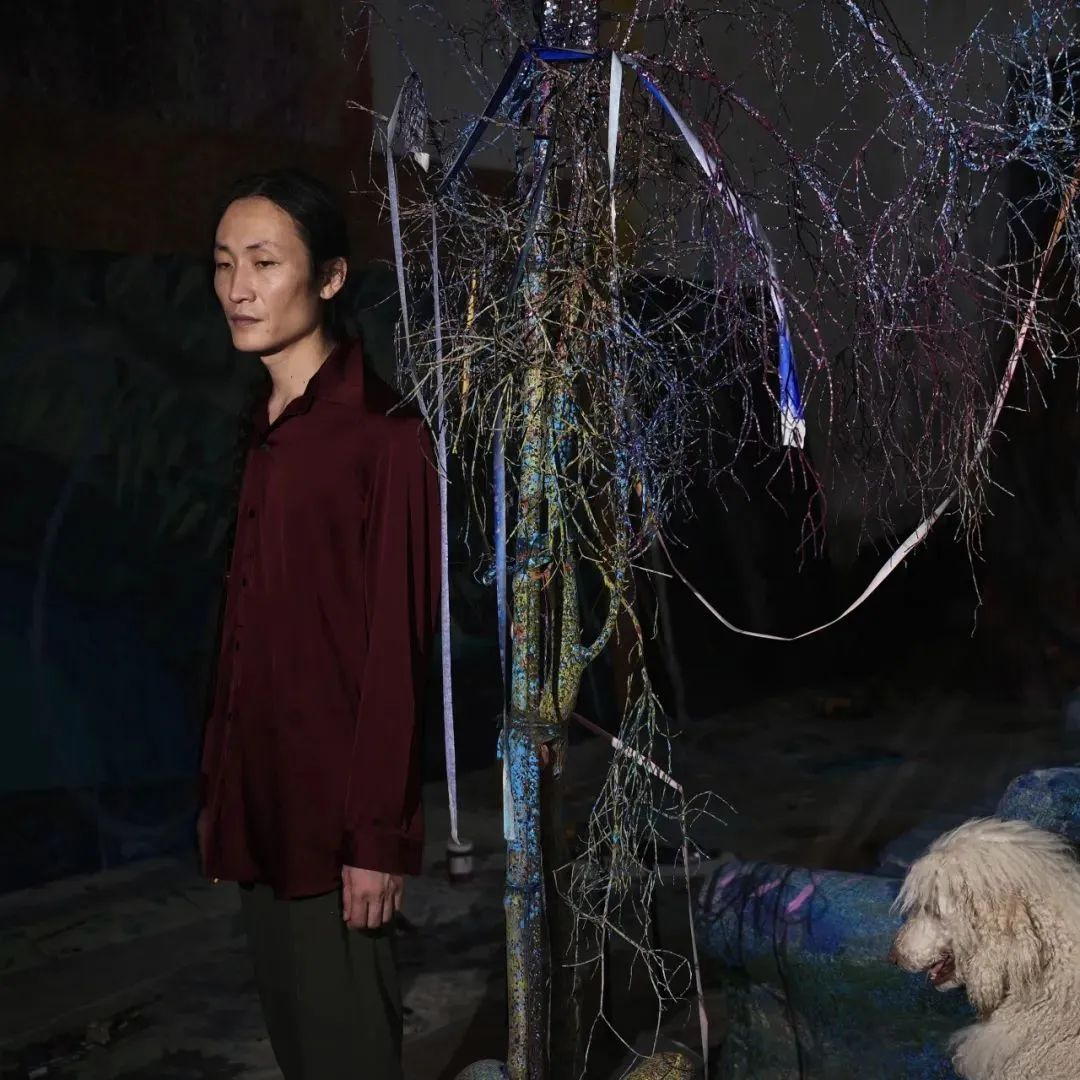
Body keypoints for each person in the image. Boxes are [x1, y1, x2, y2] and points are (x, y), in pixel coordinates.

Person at [198, 168, 439, 1080]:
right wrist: (222, 791)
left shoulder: (385, 436)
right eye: (224, 263)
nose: (238, 287)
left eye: (265, 262)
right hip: (258, 808)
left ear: (330, 278)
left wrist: (377, 838)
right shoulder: (264, 427)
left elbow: (395, 655)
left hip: (336, 830)